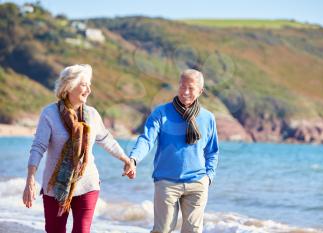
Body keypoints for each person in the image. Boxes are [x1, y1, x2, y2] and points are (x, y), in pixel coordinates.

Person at [22, 64, 135, 233]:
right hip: (56, 187)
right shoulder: (49, 114)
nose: (88, 90)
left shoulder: (92, 114)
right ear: (69, 86)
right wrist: (31, 178)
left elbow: (105, 139)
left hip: (88, 183)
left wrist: (126, 160)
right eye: (84, 84)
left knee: (82, 230)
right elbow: (38, 146)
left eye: (89, 85)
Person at [129, 69, 219, 233]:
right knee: (162, 229)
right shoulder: (161, 113)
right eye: (182, 86)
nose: (185, 92)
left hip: (197, 182)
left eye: (191, 88)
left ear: (200, 91)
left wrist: (209, 177)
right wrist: (134, 159)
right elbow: (147, 139)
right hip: (166, 182)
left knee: (193, 230)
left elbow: (212, 151)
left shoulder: (208, 118)